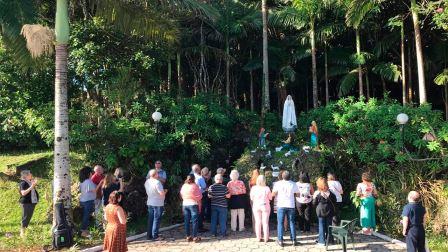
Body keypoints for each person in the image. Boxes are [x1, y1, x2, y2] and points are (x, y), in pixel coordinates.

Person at [272, 171, 300, 247]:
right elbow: (298, 195)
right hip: (291, 205)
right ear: (290, 176)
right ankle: (294, 240)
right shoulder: (294, 184)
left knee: (280, 223)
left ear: (282, 176)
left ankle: (280, 241)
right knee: (292, 223)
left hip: (281, 205)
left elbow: (273, 194)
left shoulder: (278, 183)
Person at [313, 177, 337, 246]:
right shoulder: (331, 193)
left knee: (321, 226)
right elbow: (334, 201)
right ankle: (330, 240)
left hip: (320, 212)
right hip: (329, 211)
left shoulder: (317, 193)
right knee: (329, 226)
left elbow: (314, 203)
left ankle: (321, 241)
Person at [145, 169, 167, 240]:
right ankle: (155, 235)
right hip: (157, 203)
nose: (158, 175)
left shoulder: (146, 182)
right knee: (156, 219)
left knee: (150, 219)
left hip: (150, 202)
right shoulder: (157, 182)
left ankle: (149, 235)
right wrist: (165, 191)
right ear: (155, 175)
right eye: (157, 173)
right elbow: (161, 193)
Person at [180, 174, 203, 242]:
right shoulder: (195, 186)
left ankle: (188, 236)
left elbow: (181, 194)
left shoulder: (184, 185)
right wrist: (200, 207)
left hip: (185, 204)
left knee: (186, 221)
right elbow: (199, 197)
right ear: (194, 179)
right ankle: (195, 237)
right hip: (193, 204)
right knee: (194, 221)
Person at [250, 175, 272, 243]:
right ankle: (266, 238)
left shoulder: (253, 188)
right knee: (265, 223)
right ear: (264, 180)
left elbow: (251, 198)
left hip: (256, 206)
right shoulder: (267, 188)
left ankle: (258, 238)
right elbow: (270, 198)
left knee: (258, 222)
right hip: (265, 205)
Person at [18, 170, 39, 237]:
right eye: (30, 174)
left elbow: (32, 191)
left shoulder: (28, 182)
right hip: (26, 203)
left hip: (31, 203)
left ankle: (24, 231)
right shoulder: (23, 183)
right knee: (25, 218)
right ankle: (22, 233)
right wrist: (32, 186)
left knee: (28, 217)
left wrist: (33, 184)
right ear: (26, 175)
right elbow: (23, 193)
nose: (31, 174)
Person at [79, 166, 97, 238]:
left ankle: (85, 232)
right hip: (88, 202)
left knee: (85, 217)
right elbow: (95, 190)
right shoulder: (89, 181)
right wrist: (101, 183)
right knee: (86, 217)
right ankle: (83, 232)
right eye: (91, 172)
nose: (92, 173)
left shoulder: (82, 181)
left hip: (83, 201)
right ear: (89, 173)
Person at [191, 164, 207, 232]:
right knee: (200, 211)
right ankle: (199, 227)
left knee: (194, 211)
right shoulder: (200, 178)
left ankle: (195, 226)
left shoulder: (190, 176)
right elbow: (204, 186)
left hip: (191, 196)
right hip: (200, 196)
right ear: (198, 170)